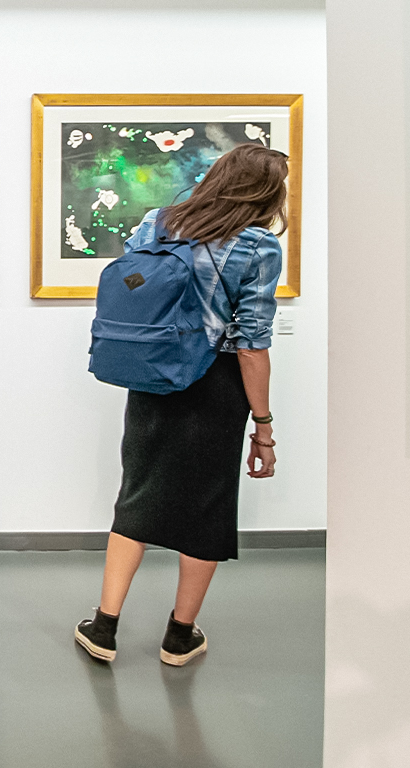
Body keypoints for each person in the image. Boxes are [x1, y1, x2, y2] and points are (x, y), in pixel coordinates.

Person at [73, 142, 288, 667]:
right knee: (207, 506)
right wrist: (263, 426)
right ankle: (179, 635)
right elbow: (252, 343)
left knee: (138, 493)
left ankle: (104, 626)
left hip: (152, 373)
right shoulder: (259, 246)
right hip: (214, 383)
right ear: (267, 191)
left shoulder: (157, 221)